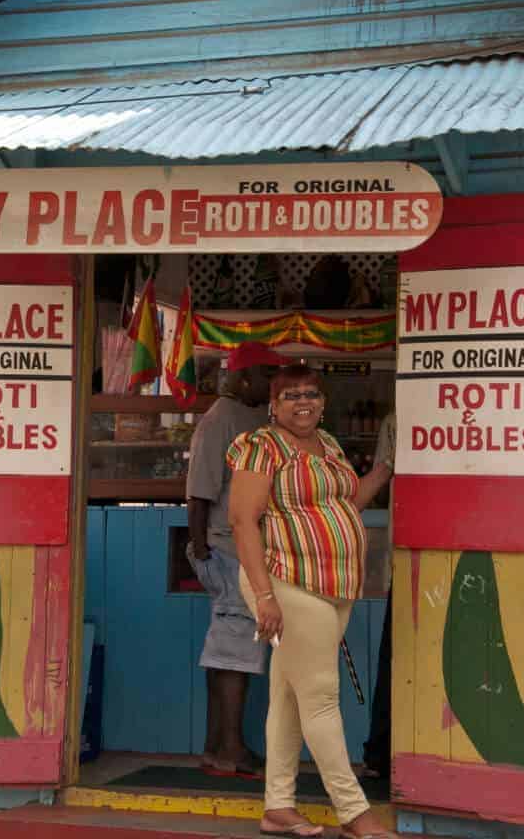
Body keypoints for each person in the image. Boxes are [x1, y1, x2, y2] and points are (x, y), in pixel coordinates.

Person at [228, 363, 395, 839]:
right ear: (273, 405)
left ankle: (277, 806)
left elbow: (345, 502)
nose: (303, 403)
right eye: (291, 396)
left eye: (311, 395)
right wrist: (263, 595)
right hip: (284, 581)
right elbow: (243, 521)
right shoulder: (261, 446)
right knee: (321, 697)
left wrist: (385, 463)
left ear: (323, 402)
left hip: (335, 585)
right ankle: (354, 813)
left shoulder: (329, 446)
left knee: (287, 695)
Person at [187, 340, 291, 776]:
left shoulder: (253, 418)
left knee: (226, 651)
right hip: (229, 549)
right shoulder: (222, 419)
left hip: (242, 550)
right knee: (234, 652)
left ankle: (217, 747)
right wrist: (200, 547)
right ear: (244, 377)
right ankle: (231, 750)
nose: (275, 383)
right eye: (269, 374)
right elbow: (199, 490)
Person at [360, 412, 396, 781]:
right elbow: (381, 475)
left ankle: (381, 754)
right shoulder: (395, 420)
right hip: (411, 557)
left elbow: (382, 476)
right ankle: (382, 753)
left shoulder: (395, 420)